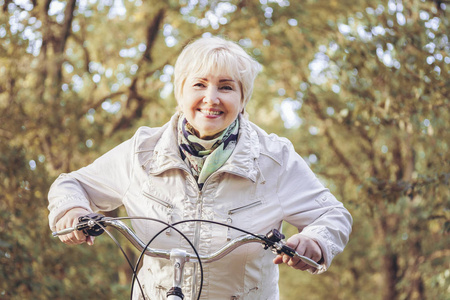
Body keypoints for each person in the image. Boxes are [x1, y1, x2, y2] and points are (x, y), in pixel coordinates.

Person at [48, 36, 352, 300]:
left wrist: (314, 241)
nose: (211, 98)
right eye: (199, 84)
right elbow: (71, 185)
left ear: (242, 98)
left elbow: (332, 215)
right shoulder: (142, 151)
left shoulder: (274, 158)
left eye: (226, 87)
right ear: (181, 92)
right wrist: (70, 211)